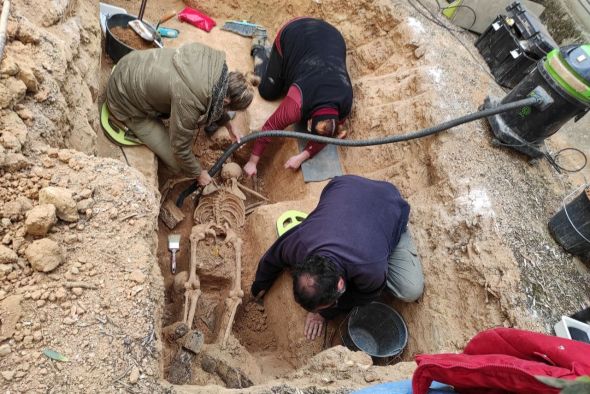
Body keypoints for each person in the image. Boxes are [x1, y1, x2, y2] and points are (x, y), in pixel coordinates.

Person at [250, 175, 424, 340]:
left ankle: (395, 232)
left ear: (341, 284)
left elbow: (365, 296)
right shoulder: (300, 243)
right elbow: (273, 255)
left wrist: (324, 314)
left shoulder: (370, 269)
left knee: (411, 290)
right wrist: (259, 285)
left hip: (389, 202)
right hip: (344, 186)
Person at [106, 43, 256, 185]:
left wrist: (228, 125)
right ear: (226, 100)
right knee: (177, 164)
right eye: (230, 109)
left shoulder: (212, 65)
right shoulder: (190, 98)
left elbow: (216, 103)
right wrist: (198, 173)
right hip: (123, 98)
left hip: (130, 63)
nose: (228, 112)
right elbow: (180, 149)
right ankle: (132, 122)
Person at [243, 18, 353, 178]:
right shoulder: (297, 103)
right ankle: (260, 47)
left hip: (332, 38)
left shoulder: (344, 106)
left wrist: (302, 156)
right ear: (309, 121)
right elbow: (269, 128)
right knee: (268, 91)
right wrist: (252, 162)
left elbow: (325, 136)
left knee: (288, 81)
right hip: (295, 32)